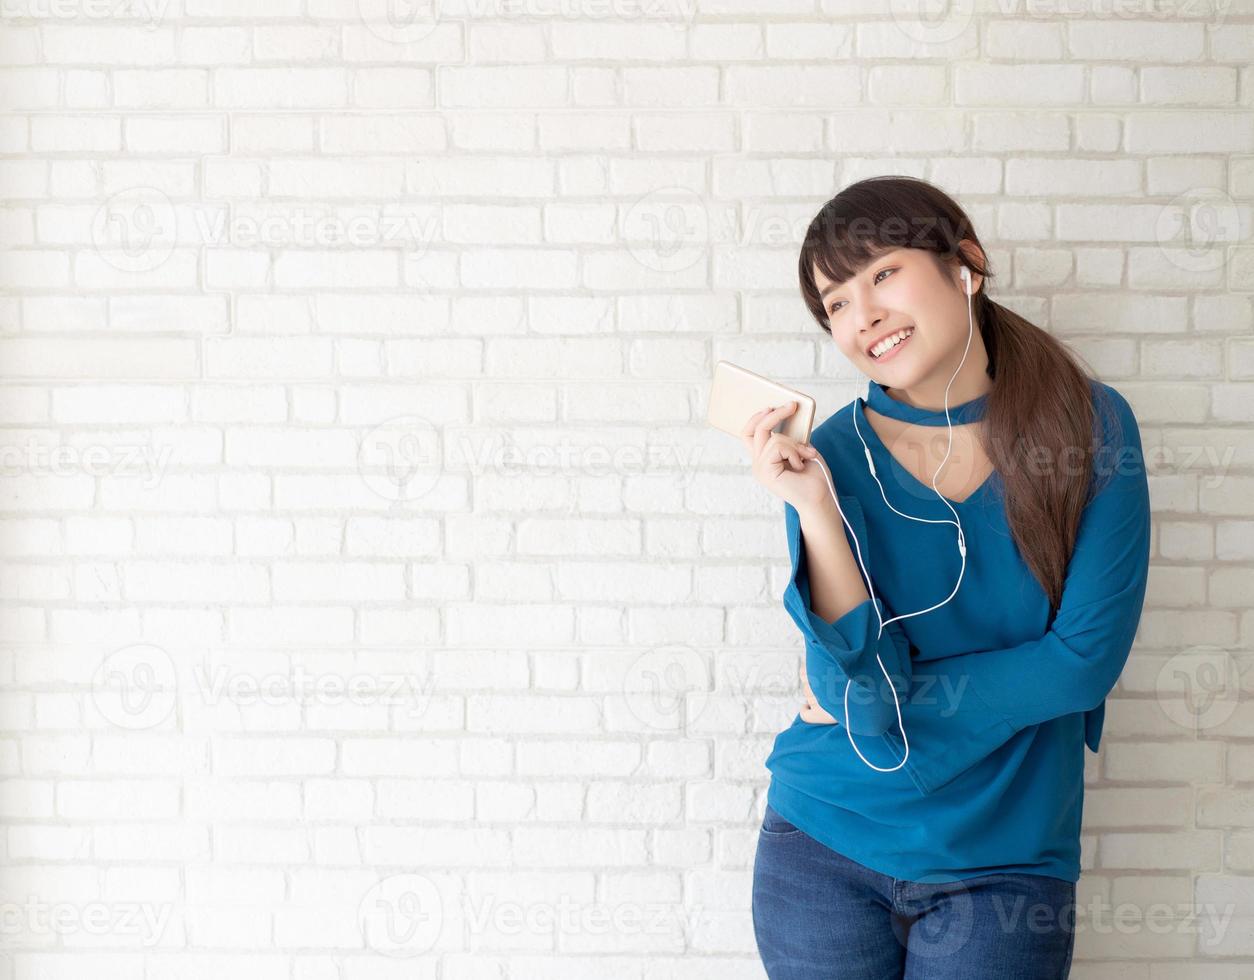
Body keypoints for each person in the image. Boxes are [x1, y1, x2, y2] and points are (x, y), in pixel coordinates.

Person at [741, 176, 1151, 979]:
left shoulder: (1090, 428)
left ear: (965, 262)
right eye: (835, 304)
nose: (863, 317)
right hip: (823, 844)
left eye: (882, 274)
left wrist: (885, 703)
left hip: (1005, 864)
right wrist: (819, 512)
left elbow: (1083, 663)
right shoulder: (826, 462)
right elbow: (852, 686)